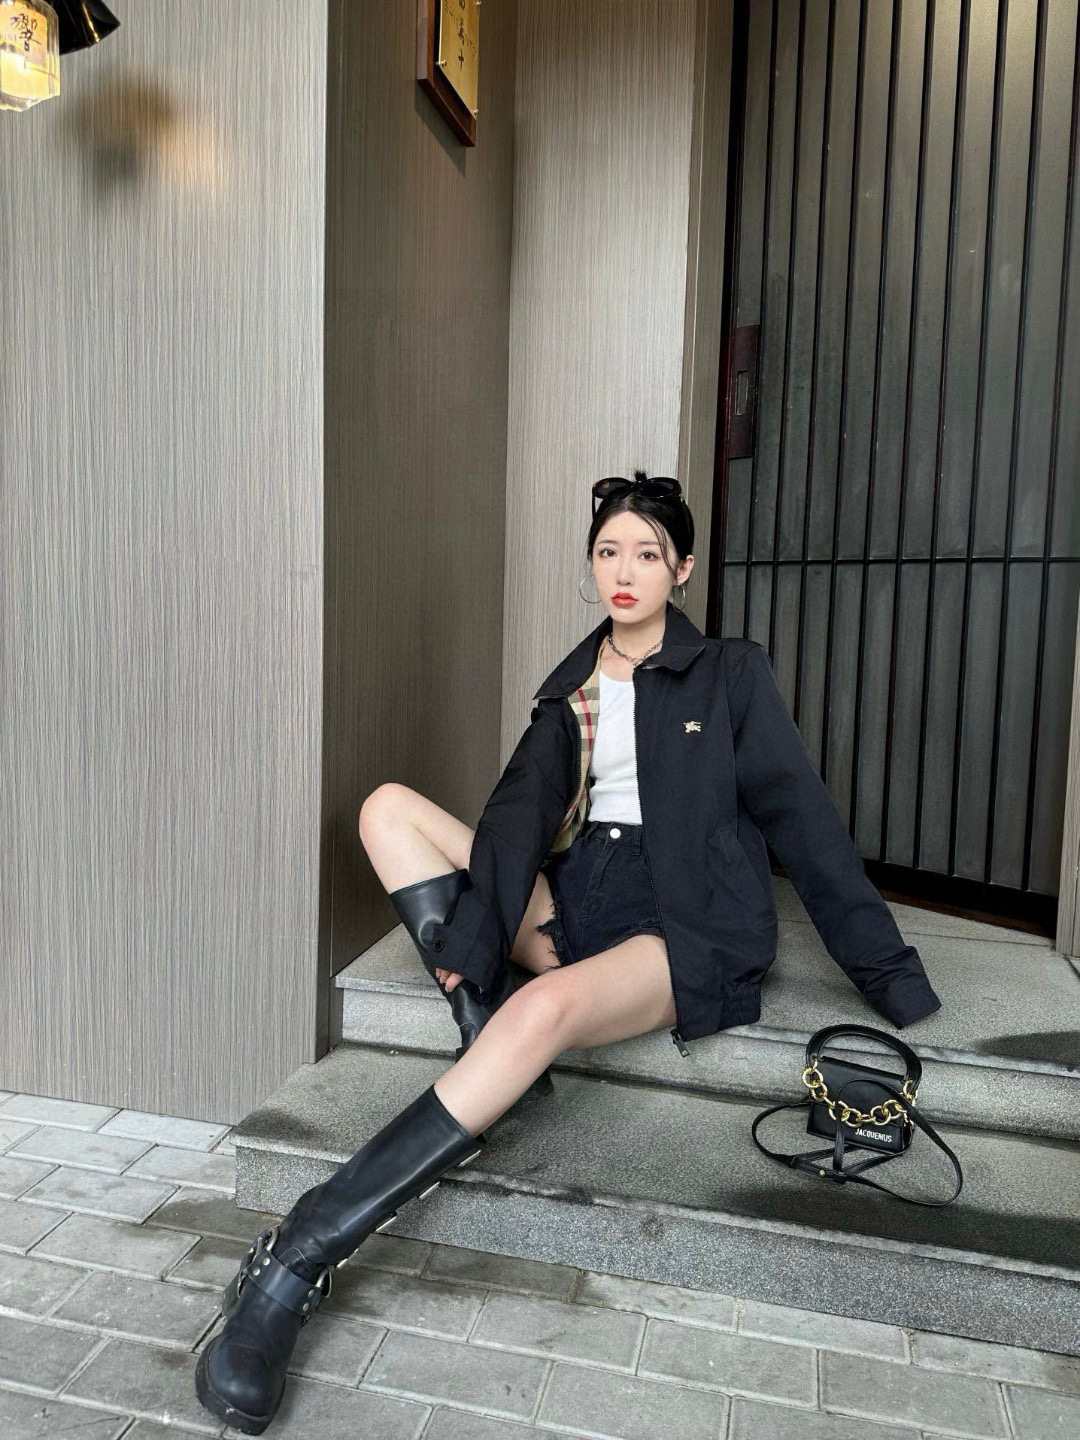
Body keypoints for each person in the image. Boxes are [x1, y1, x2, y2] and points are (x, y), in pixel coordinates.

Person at [195, 470, 942, 1433]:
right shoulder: (571, 684)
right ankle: (493, 1047)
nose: (624, 572)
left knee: (539, 1008)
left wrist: (890, 974)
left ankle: (293, 1258)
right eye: (607, 552)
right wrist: (482, 930)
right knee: (387, 810)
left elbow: (805, 822)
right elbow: (516, 817)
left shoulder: (729, 673)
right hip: (580, 894)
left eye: (646, 554)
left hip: (681, 924)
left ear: (682, 567)